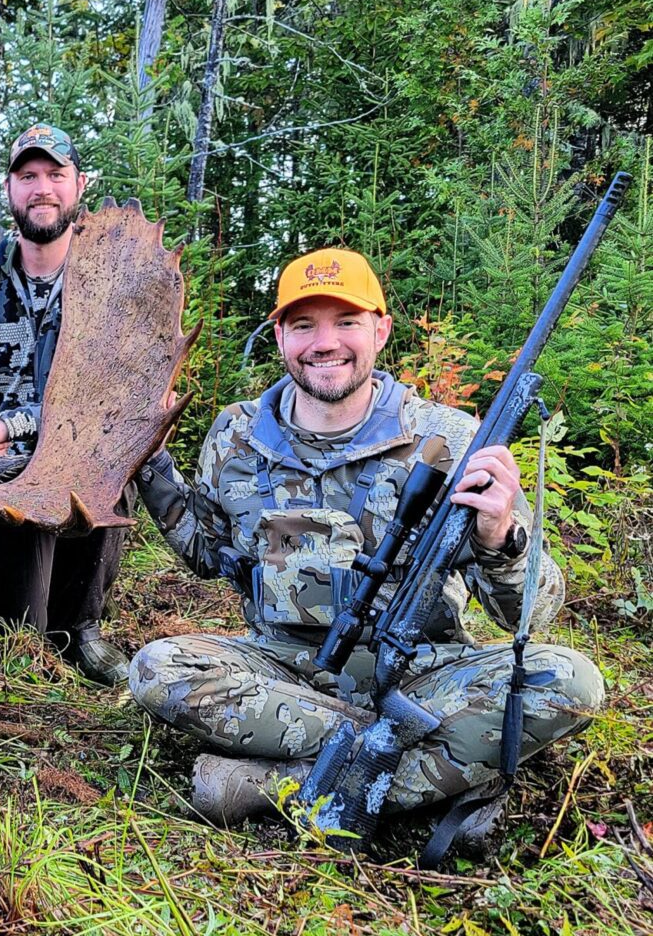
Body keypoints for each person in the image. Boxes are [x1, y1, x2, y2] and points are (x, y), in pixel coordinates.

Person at [130, 247, 604, 843]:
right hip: (280, 671)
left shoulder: (453, 440)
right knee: (156, 666)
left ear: (380, 329)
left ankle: (269, 783)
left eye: (346, 322)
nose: (325, 342)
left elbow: (530, 614)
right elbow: (207, 551)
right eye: (304, 324)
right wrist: (145, 460)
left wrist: (499, 538)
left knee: (570, 681)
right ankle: (411, 775)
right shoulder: (235, 433)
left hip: (421, 675)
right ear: (280, 335)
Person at [0, 124, 132, 685]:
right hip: (8, 476)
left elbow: (107, 405)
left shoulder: (109, 285)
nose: (41, 188)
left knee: (108, 463)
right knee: (19, 628)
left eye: (55, 175)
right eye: (28, 176)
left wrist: (11, 425)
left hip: (84, 461)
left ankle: (85, 628)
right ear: (8, 188)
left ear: (80, 185)